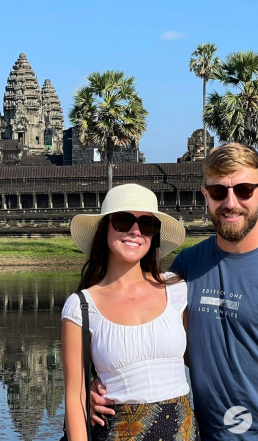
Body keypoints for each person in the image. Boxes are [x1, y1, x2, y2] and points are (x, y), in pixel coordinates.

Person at [91, 143, 258, 440]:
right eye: (219, 192)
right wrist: (98, 385)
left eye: (243, 190)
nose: (231, 202)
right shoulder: (187, 266)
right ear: (206, 195)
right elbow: (149, 340)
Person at [62, 183, 199, 441]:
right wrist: (88, 394)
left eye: (146, 224)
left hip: (182, 432)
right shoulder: (81, 306)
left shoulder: (177, 290)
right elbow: (75, 396)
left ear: (154, 235)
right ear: (105, 228)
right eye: (124, 221)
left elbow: (203, 361)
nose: (135, 231)